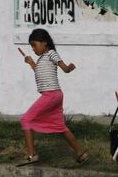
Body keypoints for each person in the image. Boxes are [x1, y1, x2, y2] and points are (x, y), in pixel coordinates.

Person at [17, 28, 89, 166]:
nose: (33, 48)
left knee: (26, 120)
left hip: (51, 95)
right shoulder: (42, 59)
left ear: (44, 43)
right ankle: (81, 153)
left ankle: (32, 155)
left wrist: (69, 68)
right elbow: (39, 72)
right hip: (55, 95)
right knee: (60, 126)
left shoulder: (51, 54)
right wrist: (31, 62)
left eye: (34, 45)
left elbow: (64, 68)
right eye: (31, 46)